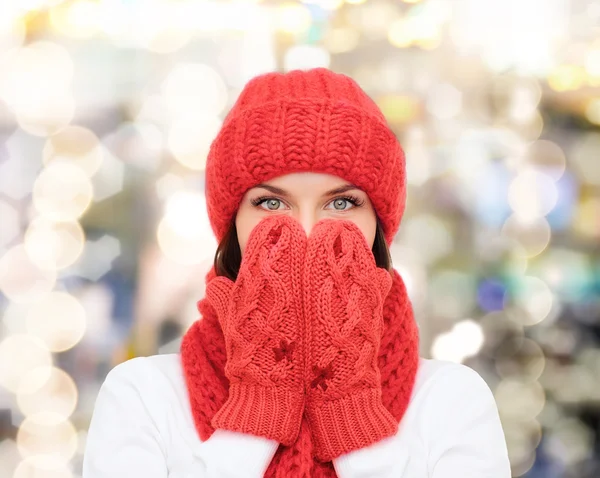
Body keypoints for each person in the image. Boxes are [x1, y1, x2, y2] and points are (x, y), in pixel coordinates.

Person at [83, 68, 511, 477]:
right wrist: (257, 408)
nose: (306, 232)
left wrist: (352, 411)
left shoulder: (452, 400)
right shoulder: (144, 396)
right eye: (271, 204)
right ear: (231, 224)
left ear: (378, 226)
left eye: (341, 203)